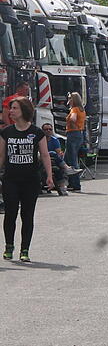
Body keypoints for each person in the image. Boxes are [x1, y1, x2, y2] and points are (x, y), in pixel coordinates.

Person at [1, 97, 51, 262]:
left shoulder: (37, 133)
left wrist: (50, 176)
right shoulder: (6, 132)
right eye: (11, 108)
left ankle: (25, 249)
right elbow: (1, 156)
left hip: (30, 180)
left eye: (14, 108)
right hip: (10, 180)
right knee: (10, 213)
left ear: (23, 110)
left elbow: (44, 155)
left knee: (27, 215)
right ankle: (9, 246)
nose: (11, 111)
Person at [41, 122, 79, 196]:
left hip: (52, 161)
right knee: (52, 153)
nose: (48, 131)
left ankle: (62, 187)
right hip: (41, 160)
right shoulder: (40, 140)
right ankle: (67, 168)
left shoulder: (54, 140)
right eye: (46, 129)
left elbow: (58, 153)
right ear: (42, 131)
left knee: (57, 168)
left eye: (50, 129)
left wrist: (59, 155)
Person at [65, 91, 87, 192]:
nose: (68, 100)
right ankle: (69, 182)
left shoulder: (74, 109)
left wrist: (72, 124)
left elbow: (73, 118)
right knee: (66, 158)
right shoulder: (82, 110)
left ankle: (75, 184)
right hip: (79, 134)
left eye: (70, 98)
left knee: (72, 160)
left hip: (72, 133)